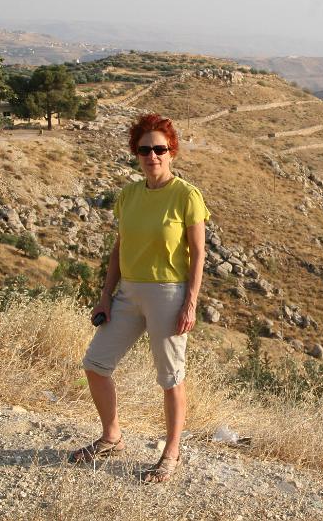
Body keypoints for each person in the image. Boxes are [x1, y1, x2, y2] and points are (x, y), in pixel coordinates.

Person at [68, 113, 209, 483]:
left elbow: (198, 255)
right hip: (128, 292)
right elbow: (119, 247)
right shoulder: (128, 195)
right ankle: (111, 436)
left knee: (170, 378)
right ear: (136, 153)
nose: (153, 155)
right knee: (96, 364)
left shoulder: (187, 196)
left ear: (172, 151)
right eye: (145, 149)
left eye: (160, 148)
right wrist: (105, 295)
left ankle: (170, 454)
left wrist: (190, 302)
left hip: (168, 294)